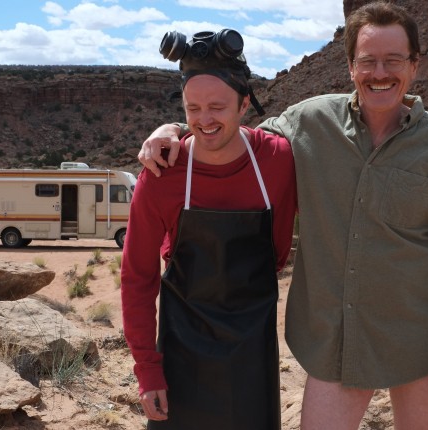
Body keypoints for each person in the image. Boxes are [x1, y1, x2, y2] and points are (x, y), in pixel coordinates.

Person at [137, 2, 428, 429]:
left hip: (421, 339)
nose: (380, 73)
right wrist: (174, 129)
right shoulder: (309, 122)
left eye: (394, 60)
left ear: (414, 66)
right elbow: (226, 131)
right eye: (368, 61)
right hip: (336, 345)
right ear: (350, 67)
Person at [120, 28, 297, 430]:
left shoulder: (278, 160)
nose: (204, 120)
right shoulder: (161, 174)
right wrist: (147, 370)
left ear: (245, 104)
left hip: (254, 354)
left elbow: (280, 250)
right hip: (181, 357)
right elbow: (137, 278)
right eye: (193, 108)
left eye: (217, 107)